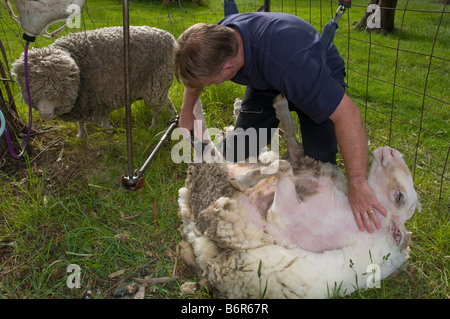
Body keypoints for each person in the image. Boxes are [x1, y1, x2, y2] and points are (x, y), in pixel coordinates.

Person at [174, 3, 386, 233]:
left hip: (311, 74)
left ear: (228, 66)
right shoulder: (217, 39)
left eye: (210, 82)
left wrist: (357, 182)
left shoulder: (295, 66)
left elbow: (349, 115)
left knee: (318, 170)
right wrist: (187, 112)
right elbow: (197, 75)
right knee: (235, 153)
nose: (208, 86)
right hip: (265, 81)